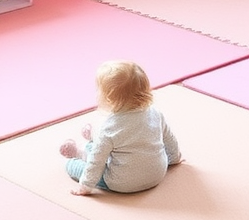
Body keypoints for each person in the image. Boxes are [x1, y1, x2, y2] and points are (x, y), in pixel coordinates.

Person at [60, 60, 182, 196]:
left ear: (109, 98)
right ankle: (91, 137)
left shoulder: (110, 128)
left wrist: (85, 186)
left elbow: (97, 161)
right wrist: (175, 158)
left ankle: (78, 153)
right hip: (157, 174)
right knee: (105, 147)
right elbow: (169, 139)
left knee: (74, 165)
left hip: (121, 183)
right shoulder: (155, 114)